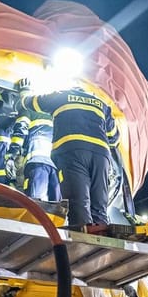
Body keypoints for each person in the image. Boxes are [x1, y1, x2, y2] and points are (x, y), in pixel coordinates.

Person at [27, 86, 120, 228]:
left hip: (71, 151)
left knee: (78, 203)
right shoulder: (101, 103)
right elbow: (114, 137)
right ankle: (101, 236)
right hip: (101, 155)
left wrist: (25, 92)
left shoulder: (61, 95)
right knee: (99, 205)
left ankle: (83, 242)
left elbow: (31, 103)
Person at [10, 106, 61, 201]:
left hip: (37, 161)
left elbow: (20, 130)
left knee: (35, 203)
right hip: (56, 166)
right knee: (57, 208)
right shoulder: (55, 114)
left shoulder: (27, 109)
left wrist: (11, 154)